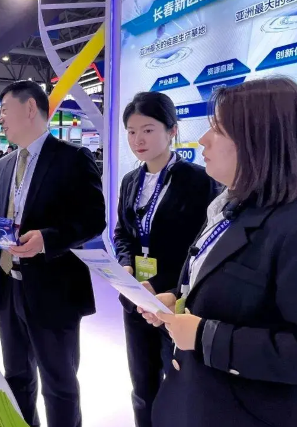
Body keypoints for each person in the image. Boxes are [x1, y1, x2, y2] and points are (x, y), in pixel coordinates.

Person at [141, 77, 297, 427]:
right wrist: (178, 301)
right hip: (198, 401)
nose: (203, 140)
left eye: (218, 130)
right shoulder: (229, 210)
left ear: (259, 141)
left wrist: (205, 337)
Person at [0, 80, 106, 427]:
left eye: (4, 111)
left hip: (53, 290)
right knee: (16, 377)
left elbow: (93, 219)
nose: (0, 119)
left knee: (59, 383)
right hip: (7, 287)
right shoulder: (4, 165)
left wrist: (46, 239)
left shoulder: (72, 158)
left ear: (30, 108)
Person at [114, 92, 219, 427]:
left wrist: (166, 287)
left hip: (176, 301)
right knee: (141, 384)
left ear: (172, 130)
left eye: (148, 130)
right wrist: (126, 266)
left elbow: (203, 245)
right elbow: (123, 233)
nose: (138, 140)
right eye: (131, 132)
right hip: (136, 297)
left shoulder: (200, 181)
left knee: (178, 386)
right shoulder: (130, 181)